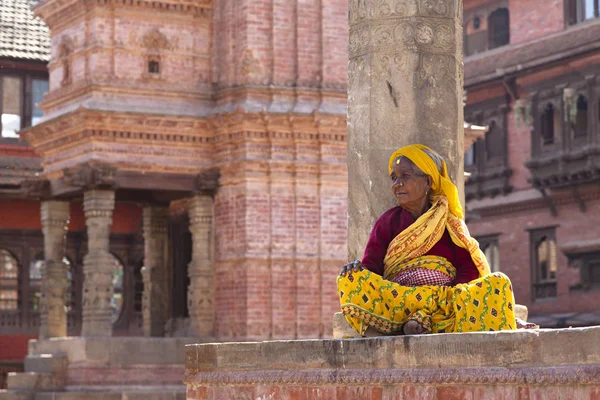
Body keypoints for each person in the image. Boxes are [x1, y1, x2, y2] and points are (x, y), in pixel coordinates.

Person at [338, 144, 536, 336]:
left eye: (405, 177)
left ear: (428, 182)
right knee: (348, 280)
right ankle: (415, 320)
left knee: (499, 282)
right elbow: (372, 268)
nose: (396, 185)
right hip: (403, 300)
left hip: (447, 299)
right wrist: (359, 270)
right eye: (394, 178)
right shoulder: (388, 222)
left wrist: (450, 297)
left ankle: (425, 320)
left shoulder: (448, 221)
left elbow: (468, 266)